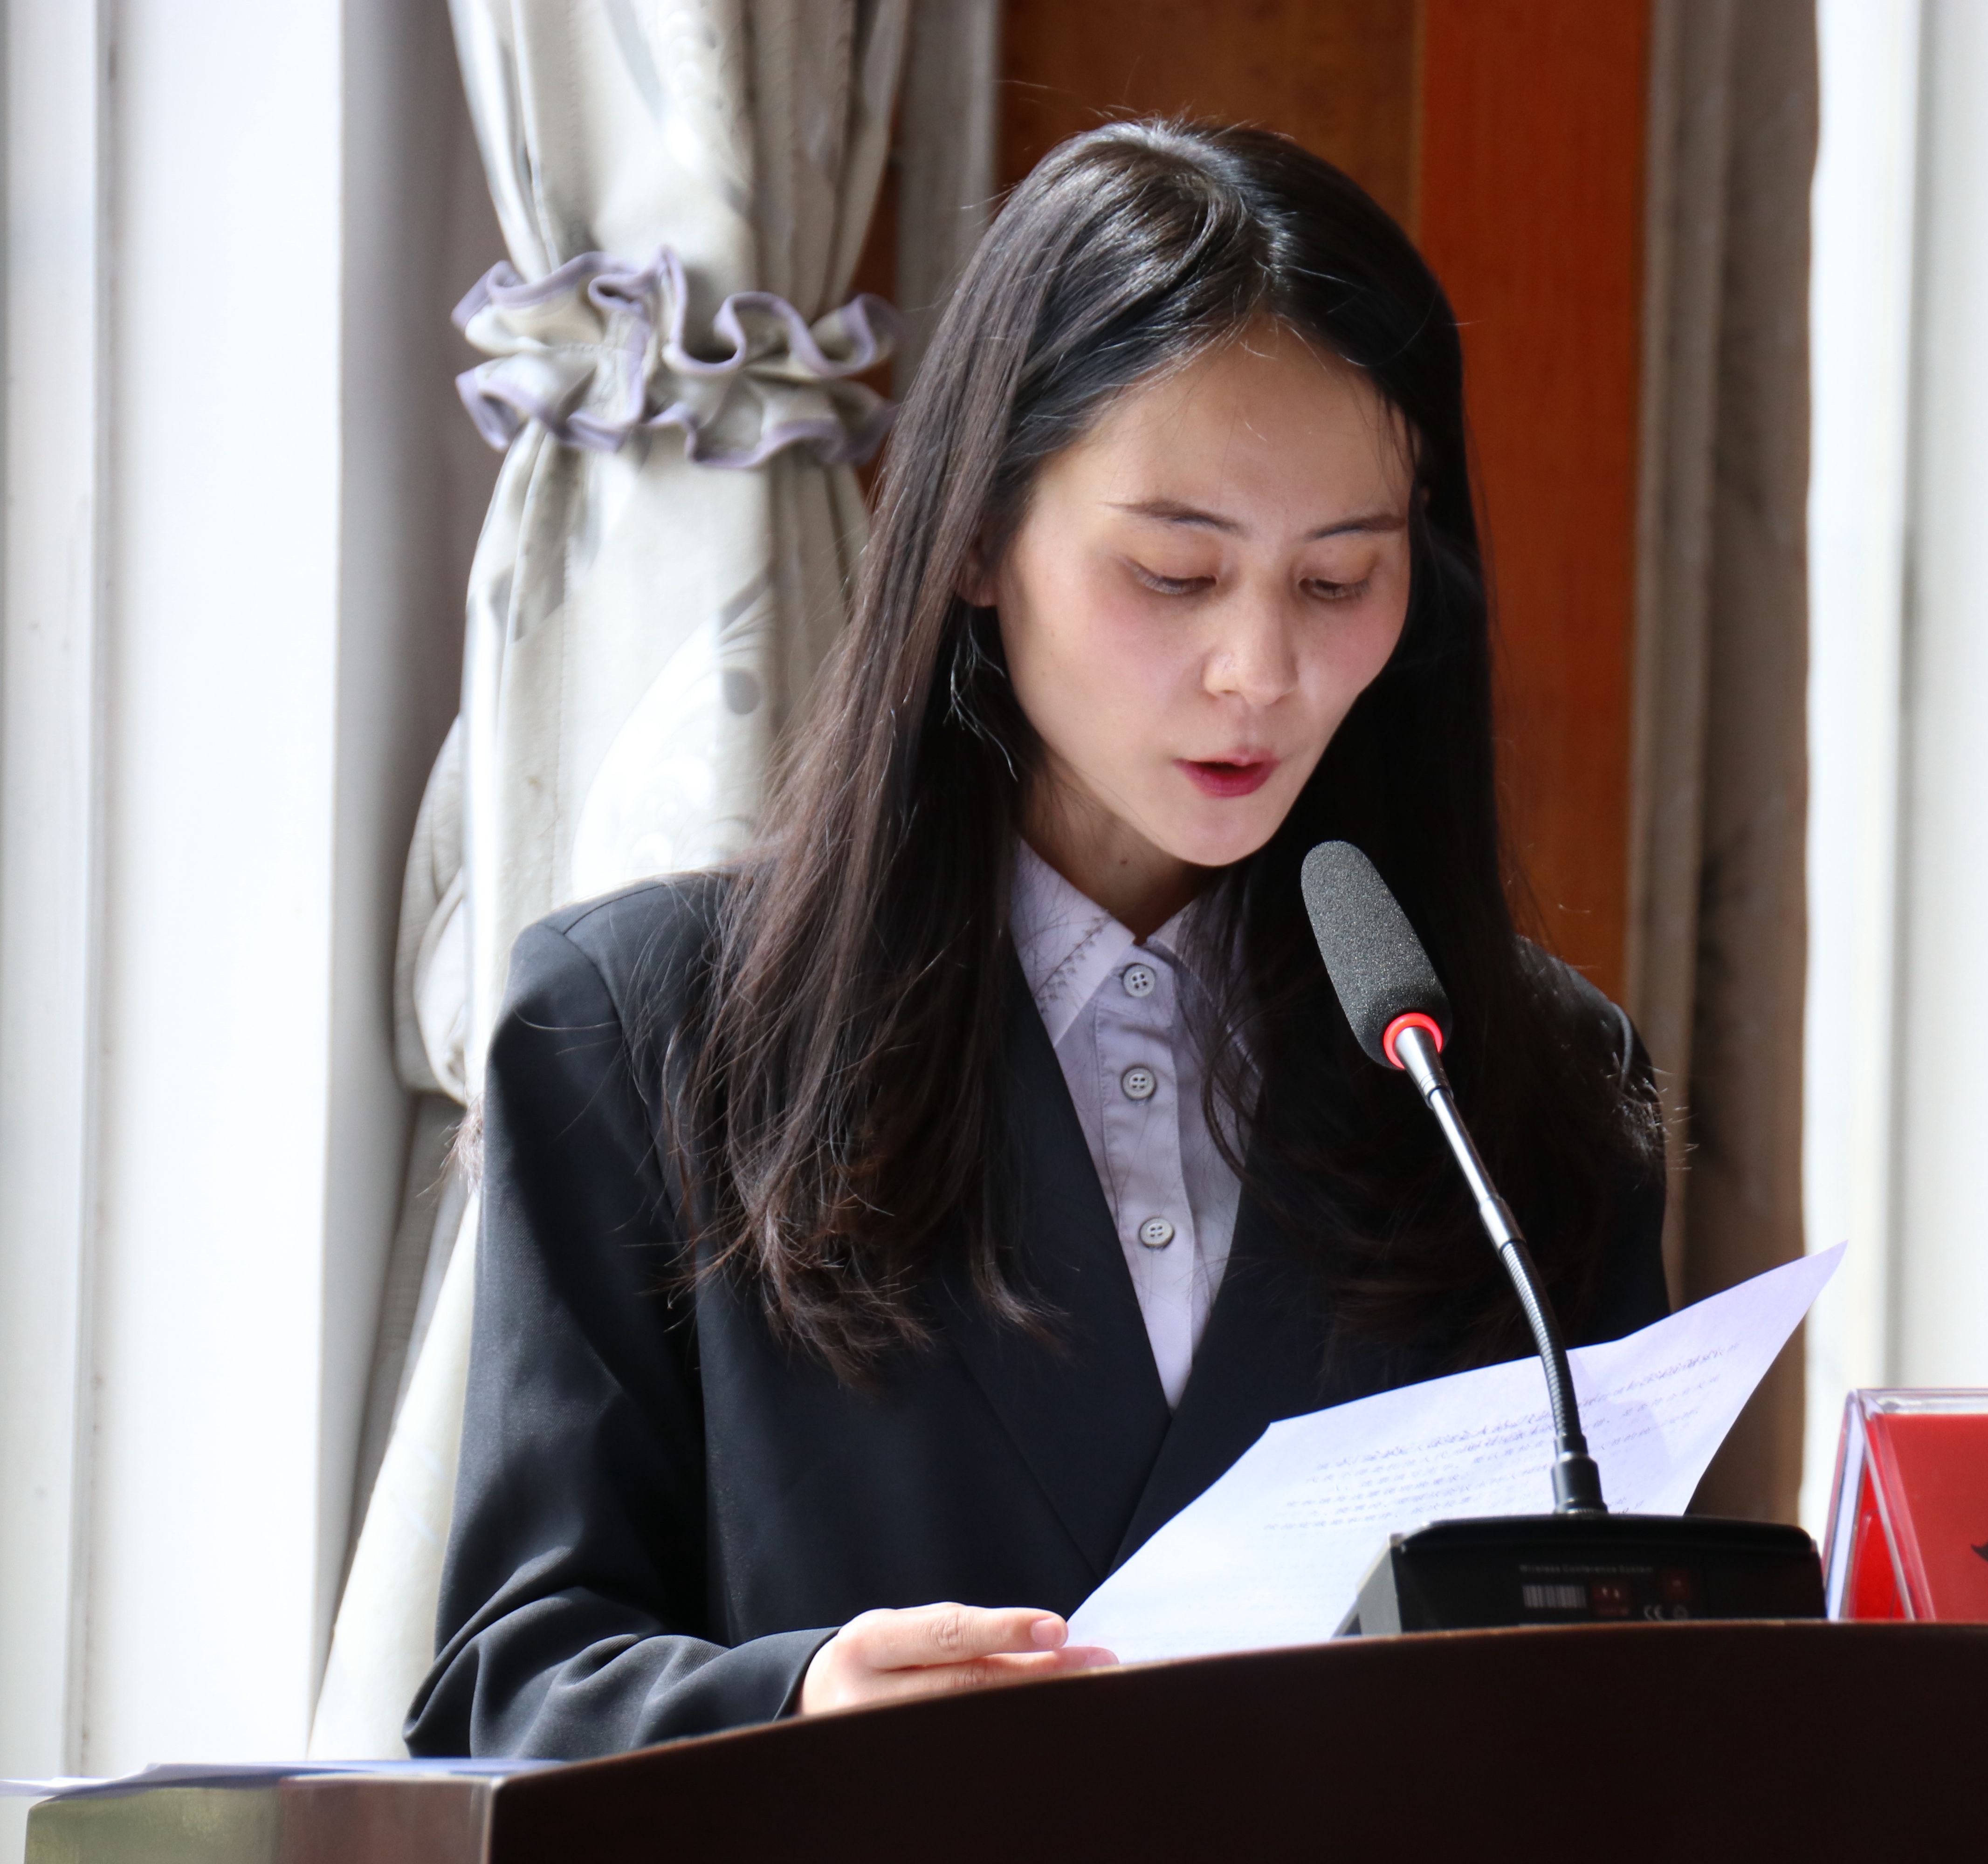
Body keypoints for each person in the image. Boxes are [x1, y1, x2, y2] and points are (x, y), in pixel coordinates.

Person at [407, 120, 1668, 1761]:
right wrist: (797, 1704)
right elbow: (507, 1695)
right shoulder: (633, 1031)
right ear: (977, 537)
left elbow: (1634, 1703)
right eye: (1176, 572)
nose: (1260, 672)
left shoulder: (1515, 1089)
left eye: (1339, 581)